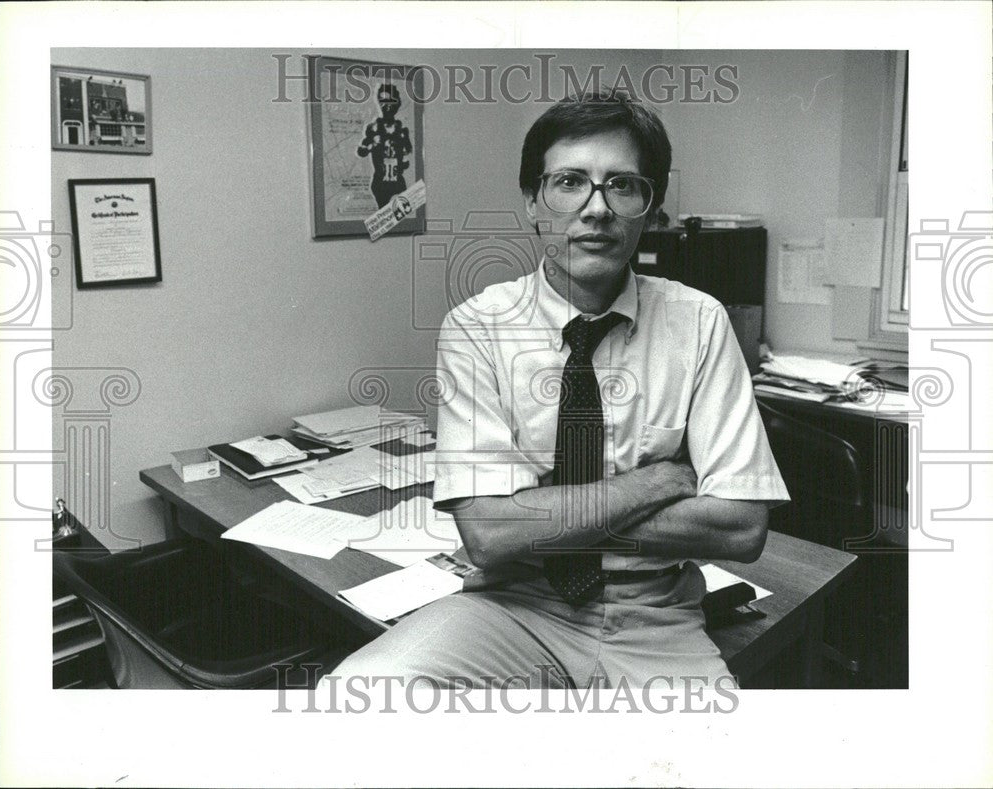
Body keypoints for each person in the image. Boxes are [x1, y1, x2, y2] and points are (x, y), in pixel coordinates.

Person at [330, 89, 788, 689]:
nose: (596, 208)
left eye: (622, 185)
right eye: (570, 182)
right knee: (359, 695)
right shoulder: (478, 327)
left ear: (649, 208)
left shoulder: (699, 321)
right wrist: (657, 481)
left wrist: (540, 516)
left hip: (654, 615)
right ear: (534, 203)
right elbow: (489, 538)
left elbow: (740, 529)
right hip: (513, 606)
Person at [356, 83, 413, 210]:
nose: (386, 105)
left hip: (398, 182)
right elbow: (361, 152)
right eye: (382, 100)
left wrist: (403, 156)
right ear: (378, 102)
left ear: (397, 103)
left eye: (390, 101)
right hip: (380, 183)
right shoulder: (373, 128)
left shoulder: (402, 130)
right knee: (383, 218)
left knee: (403, 218)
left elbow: (409, 155)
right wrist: (373, 144)